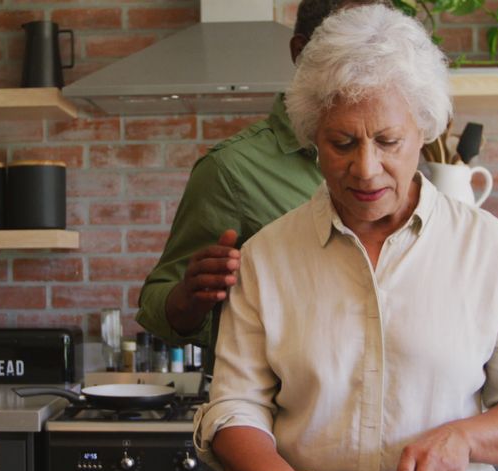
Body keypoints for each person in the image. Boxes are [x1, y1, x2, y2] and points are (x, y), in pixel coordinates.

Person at [192, 4, 498, 471]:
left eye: (388, 142)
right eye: (341, 143)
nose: (366, 168)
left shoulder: (487, 248)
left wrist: (464, 439)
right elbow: (233, 407)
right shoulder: (268, 257)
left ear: (423, 130)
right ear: (312, 138)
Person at [135, 0, 386, 363]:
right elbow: (156, 308)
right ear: (301, 52)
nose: (374, 69)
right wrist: (190, 298)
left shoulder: (399, 161)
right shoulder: (231, 170)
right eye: (353, 50)